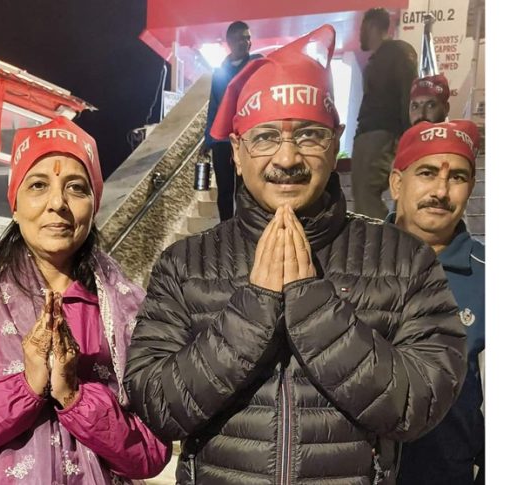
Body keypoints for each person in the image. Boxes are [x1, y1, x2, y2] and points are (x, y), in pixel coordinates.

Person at [125, 25, 466, 484]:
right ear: (238, 153)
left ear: (336, 141)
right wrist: (254, 308)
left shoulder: (404, 261)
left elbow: (420, 402)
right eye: (265, 138)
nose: (287, 159)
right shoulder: (184, 263)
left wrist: (314, 307)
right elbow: (155, 405)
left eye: (308, 135)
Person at [0, 117, 170, 484]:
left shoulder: (130, 309)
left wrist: (75, 397)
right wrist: (23, 389)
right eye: (38, 185)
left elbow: (150, 452)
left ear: (94, 204)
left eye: (76, 188)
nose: (58, 203)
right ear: (15, 205)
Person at [387, 120, 484, 485]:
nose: (441, 191)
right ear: (397, 182)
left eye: (457, 177)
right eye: (427, 173)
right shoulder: (352, 264)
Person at [352, 7, 418, 219]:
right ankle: (381, 240)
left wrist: (409, 136)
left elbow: (409, 93)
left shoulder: (397, 52)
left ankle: (383, 241)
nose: (359, 33)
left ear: (370, 26)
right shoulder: (379, 58)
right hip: (371, 133)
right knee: (362, 195)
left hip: (382, 132)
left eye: (362, 27)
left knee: (366, 194)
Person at [201, 20, 263, 221]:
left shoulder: (256, 66)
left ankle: (244, 227)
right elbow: (214, 106)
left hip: (247, 138)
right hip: (223, 140)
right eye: (240, 38)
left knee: (245, 188)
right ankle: (226, 228)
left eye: (248, 38)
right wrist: (208, 139)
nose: (245, 42)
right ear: (229, 41)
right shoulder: (219, 73)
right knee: (225, 190)